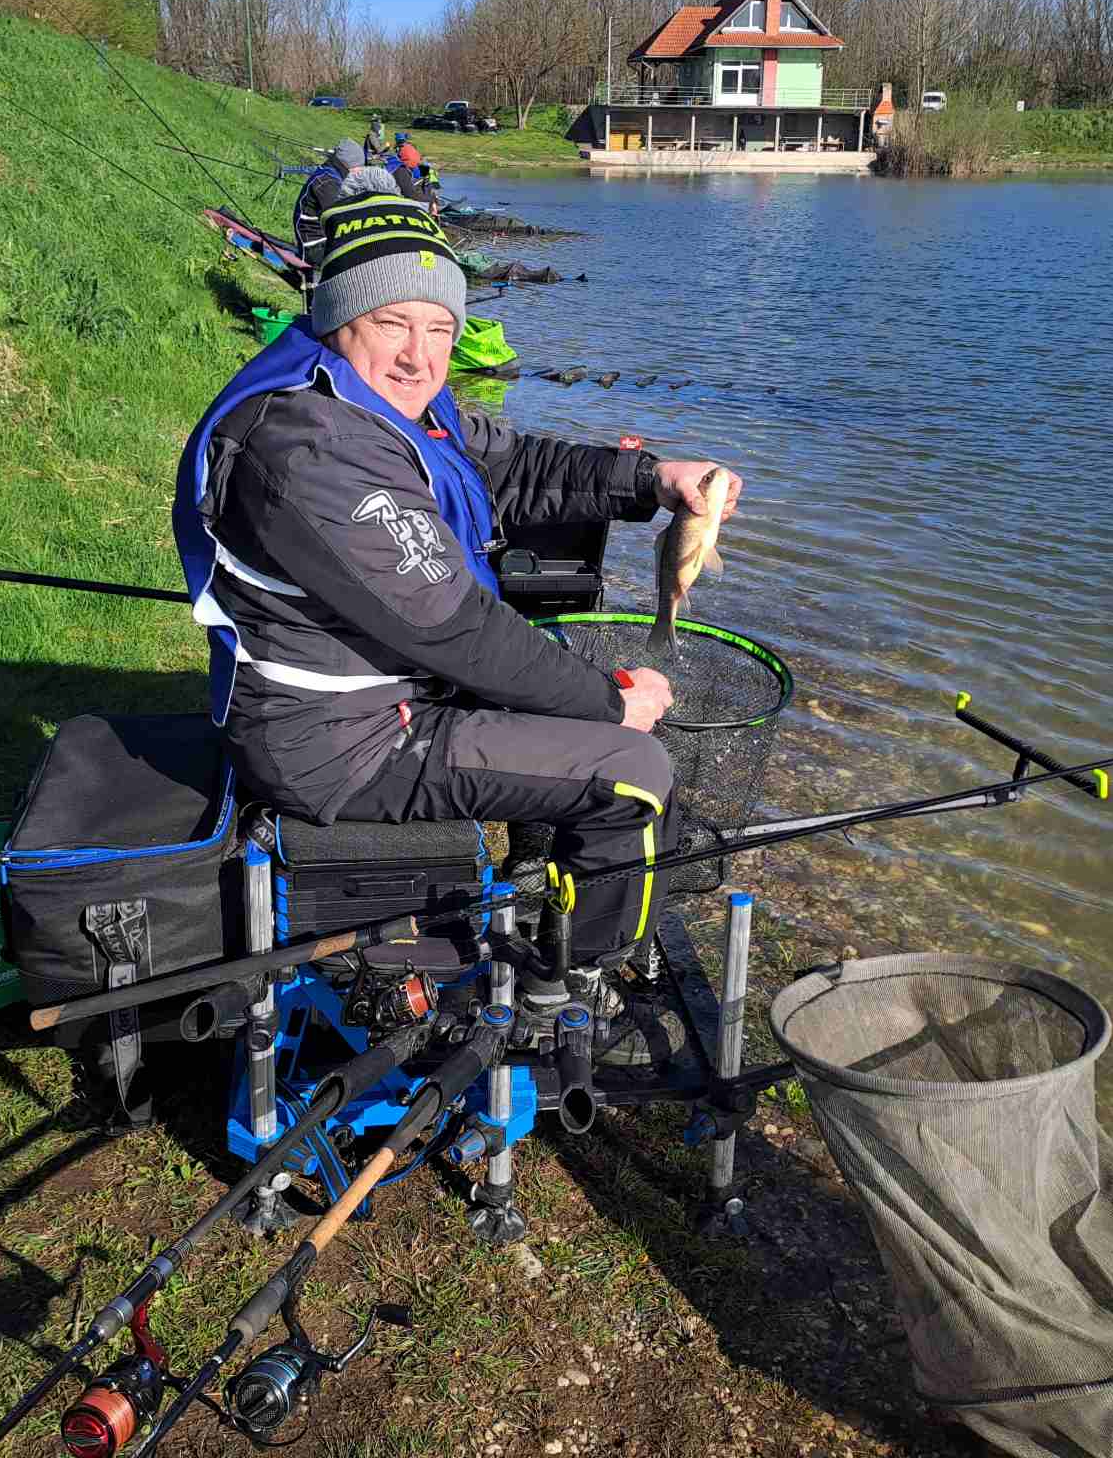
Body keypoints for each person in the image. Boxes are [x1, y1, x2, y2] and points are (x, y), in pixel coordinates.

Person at [175, 188, 742, 1061]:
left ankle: (542, 884)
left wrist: (651, 479)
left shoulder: (383, 402)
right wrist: (607, 704)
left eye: (439, 329)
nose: (418, 355)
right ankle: (575, 986)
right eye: (393, 323)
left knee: (558, 674)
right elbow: (459, 633)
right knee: (633, 769)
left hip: (396, 694)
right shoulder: (310, 447)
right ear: (338, 320)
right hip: (346, 744)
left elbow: (515, 465)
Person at [292, 138, 364, 267]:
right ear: (349, 164)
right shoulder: (328, 182)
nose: (360, 172)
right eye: (359, 167)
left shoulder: (331, 174)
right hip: (314, 246)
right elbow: (340, 220)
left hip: (321, 241)